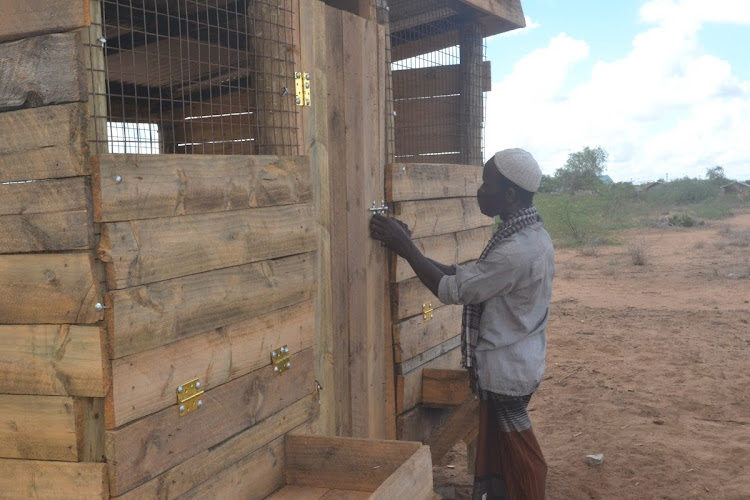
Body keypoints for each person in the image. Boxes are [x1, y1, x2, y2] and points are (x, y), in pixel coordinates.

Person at [370, 148, 554, 499]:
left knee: (522, 460)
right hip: (518, 363)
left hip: (507, 373)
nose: (480, 190)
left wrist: (406, 247)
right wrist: (410, 248)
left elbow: (454, 290)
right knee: (501, 454)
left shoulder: (515, 251)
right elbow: (469, 277)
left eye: (488, 184)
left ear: (510, 195)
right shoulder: (530, 236)